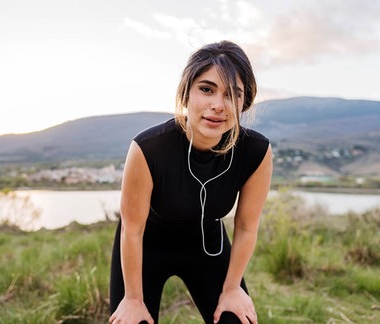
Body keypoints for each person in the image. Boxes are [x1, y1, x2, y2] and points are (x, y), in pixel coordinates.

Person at [109, 40, 273, 324]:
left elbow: (246, 227)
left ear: (243, 103)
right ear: (186, 93)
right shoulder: (148, 148)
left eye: (232, 94)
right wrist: (133, 300)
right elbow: (132, 229)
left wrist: (233, 288)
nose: (218, 105)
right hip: (146, 245)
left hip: (209, 246)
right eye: (206, 89)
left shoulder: (255, 151)